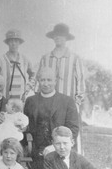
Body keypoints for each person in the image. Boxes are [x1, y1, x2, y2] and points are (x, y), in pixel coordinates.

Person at [38, 23, 85, 152]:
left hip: (67, 106)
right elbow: (39, 80)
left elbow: (80, 83)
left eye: (61, 35)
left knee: (69, 136)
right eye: (56, 35)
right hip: (48, 104)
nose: (58, 37)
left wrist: (76, 104)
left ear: (66, 38)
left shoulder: (75, 58)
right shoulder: (46, 58)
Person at [24, 67, 79, 169]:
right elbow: (26, 126)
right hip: (37, 151)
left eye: (49, 80)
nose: (45, 84)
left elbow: (73, 129)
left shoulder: (67, 101)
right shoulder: (30, 101)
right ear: (38, 81)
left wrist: (55, 146)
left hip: (59, 151)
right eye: (42, 80)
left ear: (55, 81)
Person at [0, 29, 35, 100]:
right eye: (11, 41)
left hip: (21, 99)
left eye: (16, 41)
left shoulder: (25, 60)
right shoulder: (0, 60)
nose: (13, 44)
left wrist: (28, 86)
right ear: (8, 43)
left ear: (19, 43)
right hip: (5, 99)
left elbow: (33, 74)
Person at [0, 98, 28, 163]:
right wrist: (1, 116)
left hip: (10, 132)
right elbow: (1, 118)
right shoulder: (6, 114)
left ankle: (0, 158)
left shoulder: (18, 115)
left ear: (13, 109)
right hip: (1, 131)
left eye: (7, 104)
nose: (5, 105)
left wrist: (21, 124)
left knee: (3, 144)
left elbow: (25, 120)